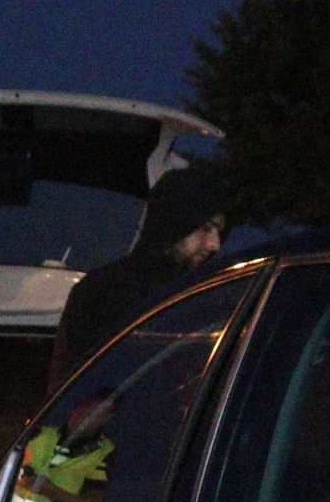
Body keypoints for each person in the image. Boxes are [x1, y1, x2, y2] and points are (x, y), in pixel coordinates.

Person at [49, 162, 227, 387]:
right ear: (176, 221)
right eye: (206, 228)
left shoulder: (204, 295)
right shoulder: (99, 292)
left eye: (219, 232)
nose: (215, 244)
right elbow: (66, 391)